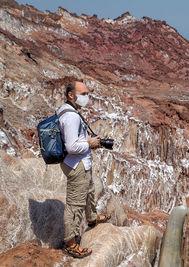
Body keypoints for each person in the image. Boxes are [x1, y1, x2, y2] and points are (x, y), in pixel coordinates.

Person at [57, 81, 110, 258]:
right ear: (71, 95)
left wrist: (88, 141)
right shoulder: (71, 116)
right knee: (75, 205)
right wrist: (90, 143)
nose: (86, 97)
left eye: (87, 93)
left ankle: (92, 217)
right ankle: (71, 244)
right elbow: (72, 146)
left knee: (88, 190)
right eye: (83, 93)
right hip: (75, 163)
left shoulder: (69, 110)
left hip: (80, 162)